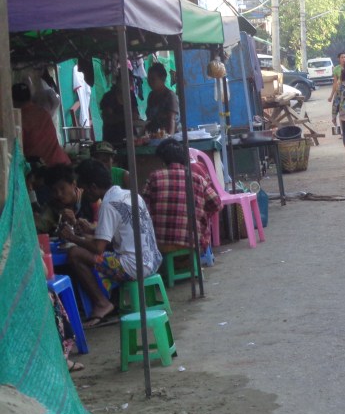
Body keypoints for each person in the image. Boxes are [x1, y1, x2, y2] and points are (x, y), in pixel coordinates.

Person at [61, 160, 162, 327]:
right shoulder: (130, 195)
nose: (83, 193)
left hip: (133, 266)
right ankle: (108, 299)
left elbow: (98, 248)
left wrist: (72, 238)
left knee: (75, 254)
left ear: (93, 187)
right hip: (152, 259)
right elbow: (123, 231)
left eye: (84, 189)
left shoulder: (108, 205)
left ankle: (102, 303)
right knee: (90, 252)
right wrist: (92, 231)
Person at [143, 138, 221, 257]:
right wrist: (200, 211)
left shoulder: (154, 177)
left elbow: (143, 208)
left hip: (160, 246)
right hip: (192, 244)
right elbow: (217, 204)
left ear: (164, 161)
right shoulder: (197, 179)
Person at [12, 82, 70, 167]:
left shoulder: (19, 119)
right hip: (62, 162)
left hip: (48, 169)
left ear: (12, 100)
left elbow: (18, 148)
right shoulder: (43, 112)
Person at [35, 164, 99, 235]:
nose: (59, 194)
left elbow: (99, 229)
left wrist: (75, 223)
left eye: (62, 188)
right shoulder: (52, 206)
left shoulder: (91, 200)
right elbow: (41, 228)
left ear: (74, 184)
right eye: (54, 190)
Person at [145, 62, 179, 136]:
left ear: (162, 78)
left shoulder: (170, 96)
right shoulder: (151, 96)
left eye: (153, 79)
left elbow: (171, 120)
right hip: (154, 136)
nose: (150, 82)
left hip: (166, 136)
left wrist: (169, 138)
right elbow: (149, 120)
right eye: (148, 79)